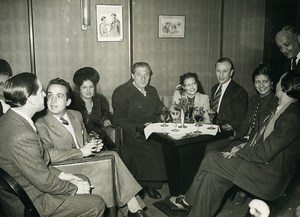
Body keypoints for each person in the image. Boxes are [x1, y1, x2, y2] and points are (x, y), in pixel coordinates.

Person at [166, 70, 300, 217]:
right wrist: (241, 145)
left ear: (285, 86)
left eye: (280, 80)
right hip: (259, 165)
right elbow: (260, 138)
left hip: (268, 175)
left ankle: (187, 200)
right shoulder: (282, 109)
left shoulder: (292, 115)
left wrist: (237, 151)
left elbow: (265, 153)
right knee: (213, 177)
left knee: (212, 157)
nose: (277, 83)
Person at [35, 78, 148, 217]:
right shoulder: (40, 122)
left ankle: (132, 208)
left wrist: (93, 144)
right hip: (64, 167)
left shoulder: (75, 115)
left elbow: (85, 138)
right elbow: (48, 154)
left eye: (59, 96)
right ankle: (134, 208)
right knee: (111, 161)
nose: (53, 101)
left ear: (68, 102)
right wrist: (81, 151)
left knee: (112, 155)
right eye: (50, 95)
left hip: (85, 160)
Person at [0, 73, 105, 217]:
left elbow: (37, 164)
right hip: (32, 201)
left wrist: (64, 175)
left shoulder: (9, 120)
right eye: (40, 92)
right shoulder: (22, 135)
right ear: (30, 99)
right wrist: (73, 188)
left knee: (82, 179)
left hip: (27, 187)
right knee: (97, 203)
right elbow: (43, 181)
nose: (44, 95)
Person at [112, 62, 167, 200]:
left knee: (166, 146)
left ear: (150, 76)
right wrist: (139, 128)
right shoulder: (122, 91)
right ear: (132, 76)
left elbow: (160, 110)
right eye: (139, 75)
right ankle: (141, 186)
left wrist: (163, 115)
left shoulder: (152, 91)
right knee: (150, 150)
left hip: (151, 131)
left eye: (146, 75)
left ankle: (152, 184)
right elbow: (118, 118)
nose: (143, 78)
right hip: (131, 133)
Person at [205, 64, 278, 154]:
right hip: (242, 137)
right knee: (210, 147)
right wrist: (234, 137)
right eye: (257, 82)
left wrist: (242, 145)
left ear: (272, 83)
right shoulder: (254, 99)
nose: (261, 85)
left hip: (257, 144)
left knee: (218, 154)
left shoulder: (275, 102)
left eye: (265, 81)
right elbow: (245, 123)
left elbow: (264, 133)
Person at [69, 66, 116, 150]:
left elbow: (107, 115)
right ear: (79, 89)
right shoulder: (72, 105)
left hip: (100, 140)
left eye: (91, 87)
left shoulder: (101, 101)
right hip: (80, 142)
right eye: (84, 87)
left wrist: (108, 120)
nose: (88, 91)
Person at [211, 57, 248, 131]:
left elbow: (239, 120)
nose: (221, 75)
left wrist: (223, 128)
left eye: (225, 71)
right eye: (218, 71)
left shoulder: (240, 92)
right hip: (212, 128)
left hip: (228, 132)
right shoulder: (214, 88)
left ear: (231, 73)